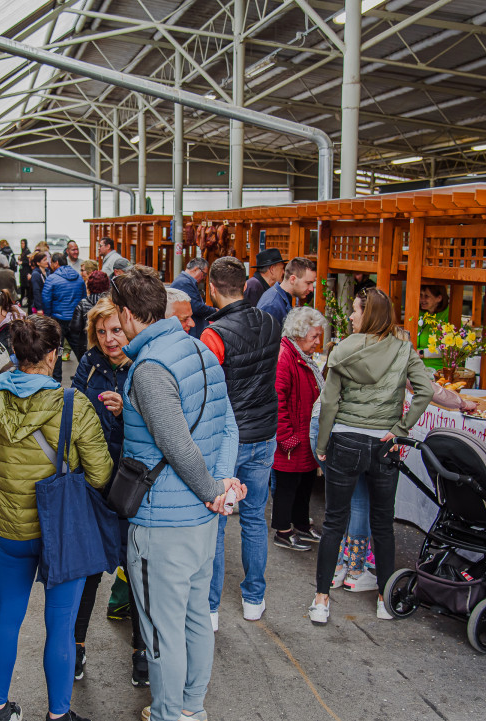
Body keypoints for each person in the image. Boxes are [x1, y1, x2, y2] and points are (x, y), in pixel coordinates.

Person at [109, 265, 244, 721]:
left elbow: (177, 445)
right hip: (203, 524)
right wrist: (221, 487)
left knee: (162, 633)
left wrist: (211, 488)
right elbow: (228, 424)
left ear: (128, 315)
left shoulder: (148, 368)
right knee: (193, 619)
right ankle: (191, 709)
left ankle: (169, 714)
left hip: (162, 526)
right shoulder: (199, 350)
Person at [0, 315, 113, 721]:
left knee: (6, 620)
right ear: (54, 355)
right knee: (60, 626)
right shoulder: (74, 405)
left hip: (9, 531)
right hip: (62, 533)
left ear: (16, 353)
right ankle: (58, 714)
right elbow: (100, 474)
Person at [311, 288, 433, 624]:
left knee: (334, 521)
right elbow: (426, 390)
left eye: (355, 311)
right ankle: (384, 598)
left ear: (370, 314)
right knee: (383, 524)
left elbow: (330, 404)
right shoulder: (403, 349)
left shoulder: (342, 351)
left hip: (345, 439)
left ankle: (321, 600)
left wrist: (322, 446)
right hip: (384, 443)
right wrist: (402, 428)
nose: (351, 316)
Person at [198, 257, 280, 628]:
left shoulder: (212, 334)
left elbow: (210, 392)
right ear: (246, 286)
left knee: (217, 521)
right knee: (255, 518)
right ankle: (253, 598)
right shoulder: (270, 322)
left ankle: (211, 608)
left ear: (211, 288)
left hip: (228, 439)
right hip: (265, 432)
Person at [70, 297, 147, 687]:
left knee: (134, 567)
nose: (109, 338)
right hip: (93, 480)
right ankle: (76, 648)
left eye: (115, 330)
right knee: (88, 570)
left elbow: (158, 424)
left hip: (131, 480)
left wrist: (126, 410)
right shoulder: (89, 364)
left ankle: (141, 652)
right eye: (101, 332)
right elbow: (72, 407)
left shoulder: (142, 365)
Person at [271, 306, 329, 552]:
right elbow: (277, 398)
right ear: (299, 333)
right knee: (287, 485)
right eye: (314, 336)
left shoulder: (299, 355)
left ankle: (302, 525)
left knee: (304, 483)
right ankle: (283, 531)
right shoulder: (285, 356)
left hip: (303, 434)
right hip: (292, 436)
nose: (318, 342)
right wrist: (286, 436)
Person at [43, 252, 85, 381]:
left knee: (57, 351)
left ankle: (56, 380)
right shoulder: (78, 277)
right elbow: (83, 298)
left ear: (56, 263)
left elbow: (46, 299)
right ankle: (86, 375)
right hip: (75, 320)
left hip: (57, 320)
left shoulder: (52, 278)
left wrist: (49, 316)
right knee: (80, 350)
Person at [256, 256, 317, 329]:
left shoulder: (279, 298)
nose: (311, 289)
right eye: (308, 283)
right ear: (292, 279)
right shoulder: (272, 306)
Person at [68, 271, 110, 364]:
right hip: (107, 344)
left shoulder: (83, 304)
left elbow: (74, 328)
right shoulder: (111, 304)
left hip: (86, 346)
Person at [170, 258, 216, 338]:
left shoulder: (185, 281)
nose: (204, 278)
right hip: (192, 331)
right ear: (196, 269)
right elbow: (196, 307)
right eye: (204, 274)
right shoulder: (184, 282)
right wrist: (214, 311)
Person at [416, 284, 450, 371]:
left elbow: (449, 349)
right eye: (421, 295)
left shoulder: (449, 315)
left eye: (426, 296)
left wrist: (423, 353)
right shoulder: (420, 313)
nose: (422, 299)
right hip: (417, 367)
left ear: (439, 298)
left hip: (439, 370)